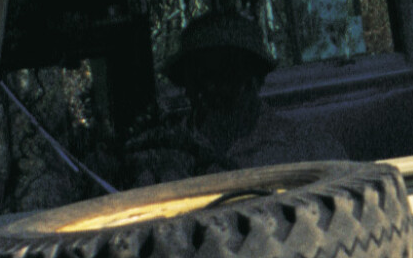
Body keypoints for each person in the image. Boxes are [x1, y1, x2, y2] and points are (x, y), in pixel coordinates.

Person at [118, 10, 315, 182]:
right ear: (187, 86)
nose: (211, 88)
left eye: (225, 74)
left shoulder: (305, 150)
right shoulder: (161, 160)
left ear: (255, 79)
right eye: (199, 76)